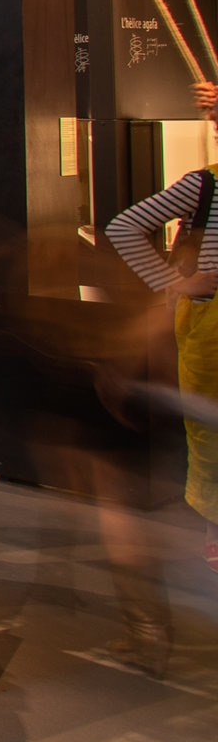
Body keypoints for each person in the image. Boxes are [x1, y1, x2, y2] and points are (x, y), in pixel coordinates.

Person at [107, 77, 218, 584]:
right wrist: (178, 283)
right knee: (209, 427)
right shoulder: (204, 184)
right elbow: (123, 226)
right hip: (209, 324)